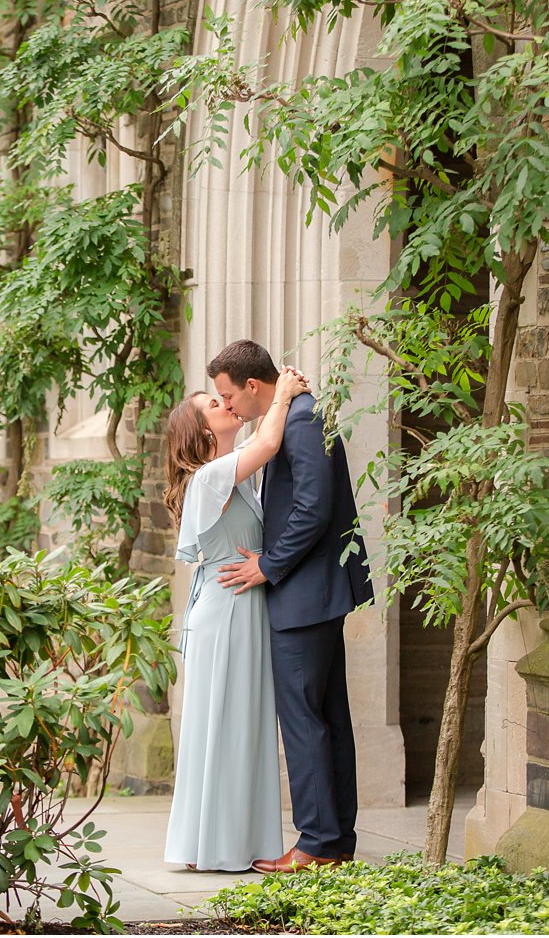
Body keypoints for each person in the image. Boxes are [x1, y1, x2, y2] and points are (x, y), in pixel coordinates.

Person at [210, 339, 374, 873]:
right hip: (317, 592)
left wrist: (268, 566)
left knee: (305, 720)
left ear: (252, 385)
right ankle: (337, 840)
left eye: (228, 396)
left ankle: (315, 843)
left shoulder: (301, 421)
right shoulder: (294, 413)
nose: (228, 408)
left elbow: (313, 508)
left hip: (304, 594)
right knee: (327, 718)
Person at [161, 366, 311, 873]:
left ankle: (236, 841)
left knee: (244, 726)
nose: (226, 405)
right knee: (223, 725)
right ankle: (215, 845)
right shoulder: (209, 477)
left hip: (244, 609)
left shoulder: (234, 476)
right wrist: (283, 395)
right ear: (204, 431)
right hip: (224, 615)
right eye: (213, 404)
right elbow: (268, 444)